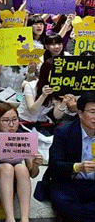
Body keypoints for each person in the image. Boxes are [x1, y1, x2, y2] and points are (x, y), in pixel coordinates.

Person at [0, 103, 43, 222]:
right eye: (5, 121)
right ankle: (10, 218)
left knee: (21, 168)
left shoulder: (23, 135)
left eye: (14, 120)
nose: (11, 125)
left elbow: (32, 174)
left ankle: (24, 218)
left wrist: (36, 164)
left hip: (14, 183)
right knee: (6, 167)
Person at [40, 92, 95, 222]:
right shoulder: (64, 132)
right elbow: (54, 166)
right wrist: (77, 167)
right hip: (68, 183)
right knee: (63, 203)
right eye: (92, 112)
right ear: (80, 114)